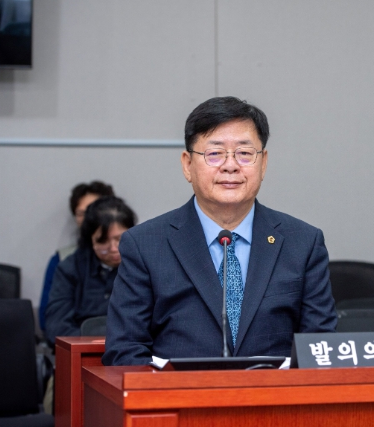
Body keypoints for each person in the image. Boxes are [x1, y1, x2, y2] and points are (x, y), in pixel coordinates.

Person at [103, 96, 336, 366]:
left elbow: (321, 349)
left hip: (274, 393)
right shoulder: (145, 245)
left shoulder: (303, 243)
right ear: (187, 165)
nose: (230, 165)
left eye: (244, 153)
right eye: (214, 154)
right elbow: (125, 350)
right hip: (180, 393)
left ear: (263, 164)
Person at [45, 196, 136, 345]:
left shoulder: (144, 267)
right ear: (90, 240)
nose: (114, 248)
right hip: (83, 350)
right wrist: (94, 343)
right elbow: (56, 327)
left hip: (133, 350)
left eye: (120, 239)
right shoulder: (70, 268)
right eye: (103, 241)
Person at [39, 181, 114, 333]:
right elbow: (51, 321)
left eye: (95, 210)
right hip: (78, 340)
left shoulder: (133, 261)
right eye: (81, 213)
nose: (88, 218)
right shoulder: (64, 261)